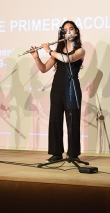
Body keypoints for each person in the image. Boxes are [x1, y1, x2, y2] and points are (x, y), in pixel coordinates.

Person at [30, 20, 85, 162]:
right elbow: (43, 69)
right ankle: (56, 153)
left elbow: (68, 59)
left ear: (76, 31)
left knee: (72, 121)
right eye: (65, 30)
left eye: (71, 29)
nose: (68, 32)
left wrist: (49, 51)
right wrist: (36, 58)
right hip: (57, 88)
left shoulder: (80, 50)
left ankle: (73, 154)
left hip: (72, 87)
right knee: (55, 120)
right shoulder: (58, 52)